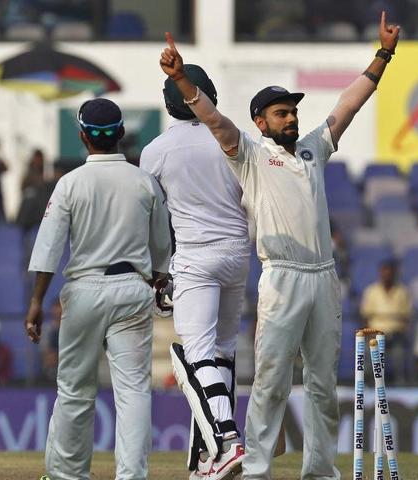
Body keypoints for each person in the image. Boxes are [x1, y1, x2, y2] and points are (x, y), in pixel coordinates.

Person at [159, 12, 399, 479]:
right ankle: (257, 471)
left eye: (293, 112)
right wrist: (183, 81)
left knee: (323, 387)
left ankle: (319, 472)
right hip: (283, 277)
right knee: (270, 382)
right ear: (260, 121)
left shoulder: (313, 148)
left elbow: (348, 105)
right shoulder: (249, 154)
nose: (291, 118)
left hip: (323, 276)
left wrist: (383, 56)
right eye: (281, 113)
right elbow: (214, 120)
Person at [25, 98, 171, 480]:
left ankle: (66, 475)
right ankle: (131, 475)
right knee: (134, 392)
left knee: (74, 389)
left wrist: (37, 301)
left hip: (85, 290)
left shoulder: (70, 183)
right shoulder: (145, 181)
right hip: (133, 290)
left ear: (82, 137)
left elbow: (48, 249)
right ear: (121, 134)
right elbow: (161, 250)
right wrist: (156, 278)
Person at [140, 66, 250, 479]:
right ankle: (208, 455)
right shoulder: (234, 137)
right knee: (222, 351)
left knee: (195, 352)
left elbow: (150, 216)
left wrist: (157, 270)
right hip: (238, 253)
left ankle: (226, 440)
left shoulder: (156, 150)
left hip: (195, 256)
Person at [359, 260, 412, 383]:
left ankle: (400, 383)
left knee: (399, 354)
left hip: (396, 334)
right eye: (384, 272)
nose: (386, 275)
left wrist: (401, 330)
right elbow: (365, 316)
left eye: (389, 273)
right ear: (380, 274)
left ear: (394, 274)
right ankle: (370, 382)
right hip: (375, 334)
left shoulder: (403, 291)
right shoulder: (371, 291)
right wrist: (370, 333)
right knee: (369, 352)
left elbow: (407, 316)